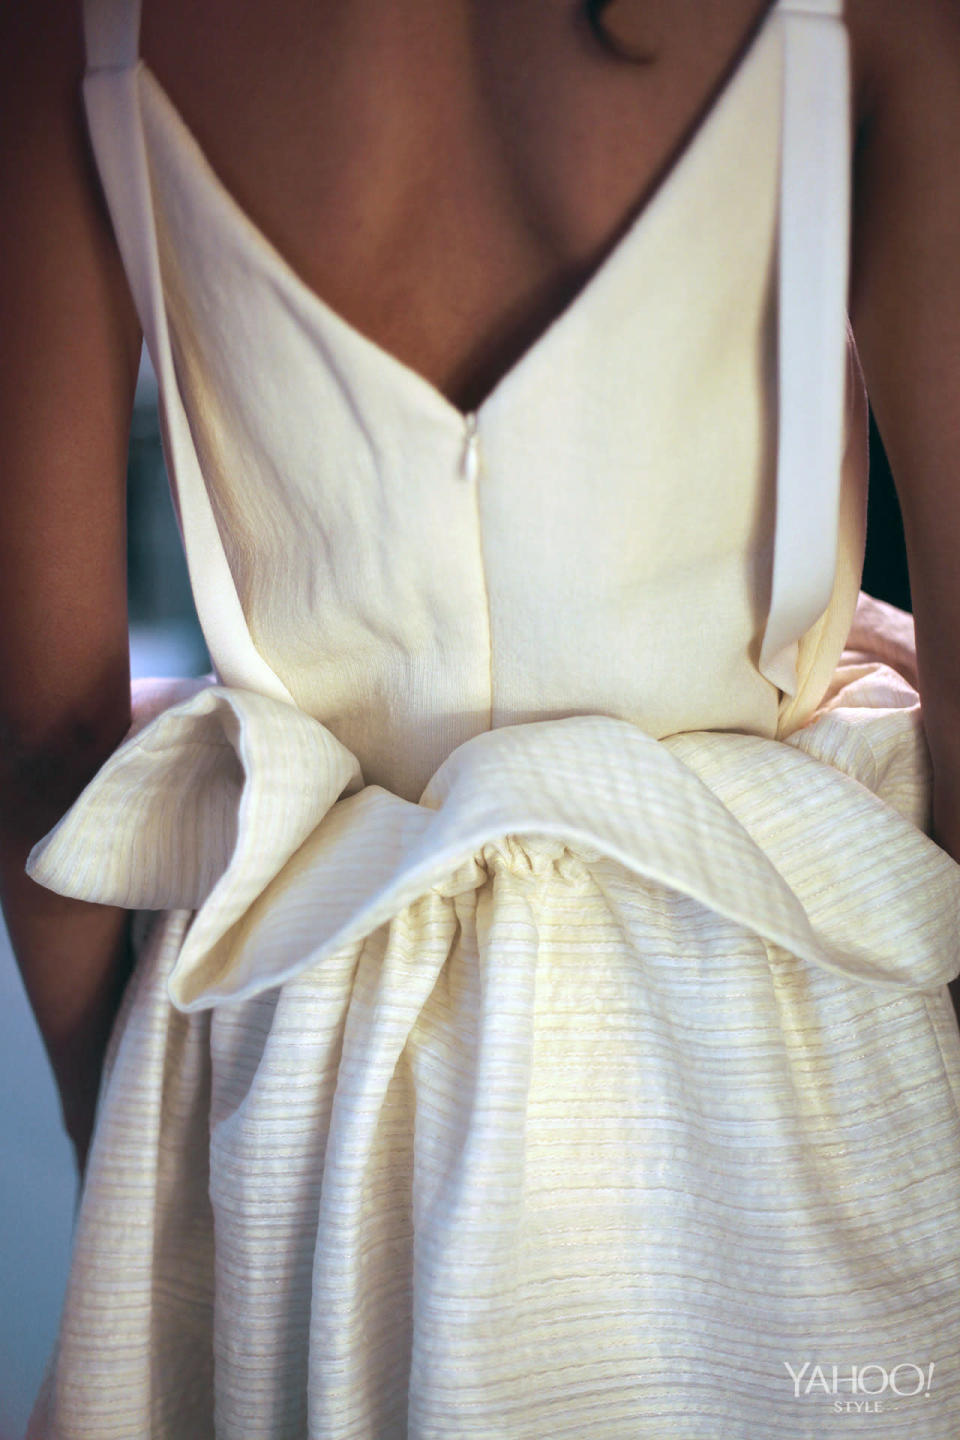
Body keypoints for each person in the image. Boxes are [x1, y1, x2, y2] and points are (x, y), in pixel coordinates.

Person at [2, 0, 960, 1434]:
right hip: (784, 1024)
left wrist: (126, 1127)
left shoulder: (74, 28)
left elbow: (48, 736)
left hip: (311, 1073)